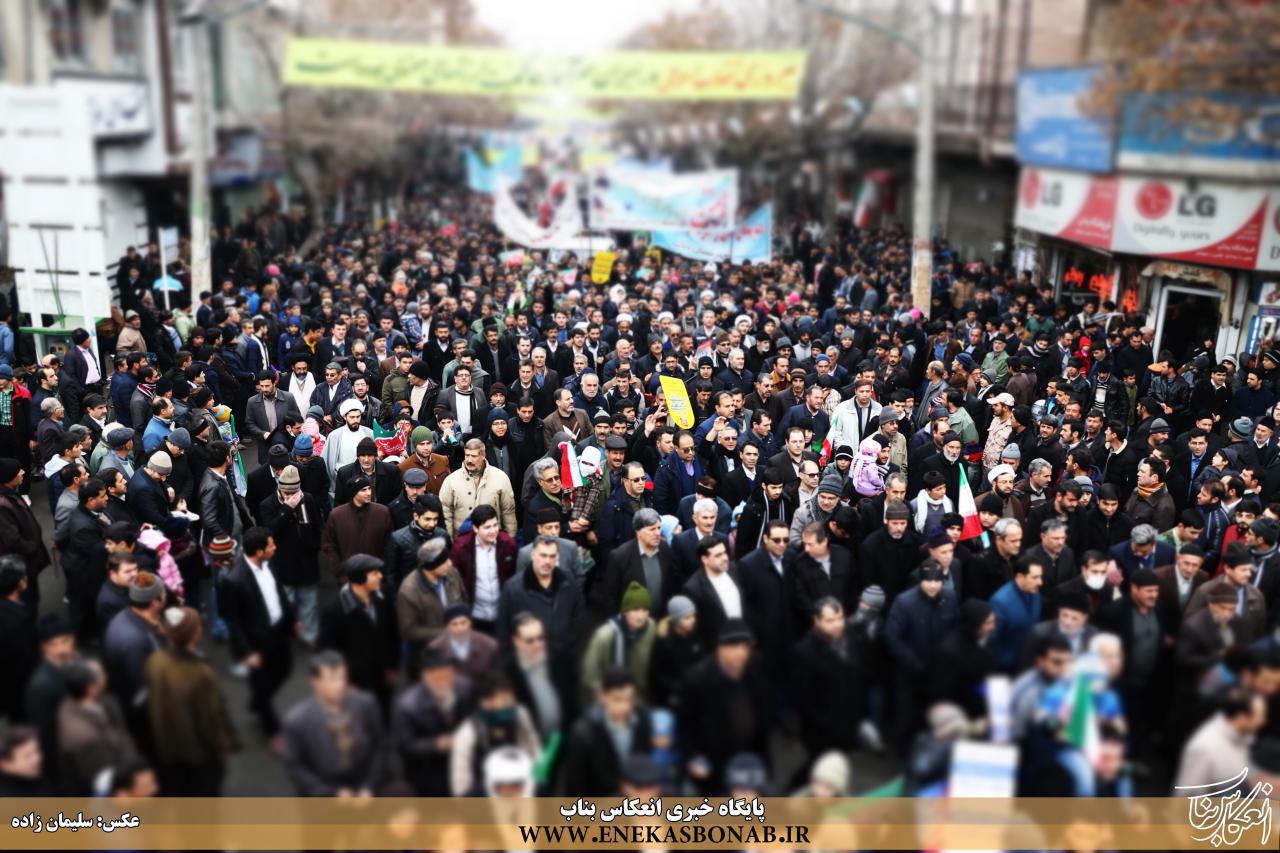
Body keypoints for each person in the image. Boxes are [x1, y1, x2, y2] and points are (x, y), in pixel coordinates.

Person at [218, 527, 296, 754]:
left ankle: (259, 701)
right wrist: (245, 651)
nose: (275, 548)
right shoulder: (234, 580)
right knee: (261, 686)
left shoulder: (269, 564)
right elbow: (232, 620)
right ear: (259, 552)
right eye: (271, 545)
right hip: (256, 642)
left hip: (278, 631)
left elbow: (278, 593)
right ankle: (272, 732)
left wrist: (291, 621)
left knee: (285, 668)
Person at [145, 607, 239, 795]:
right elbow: (210, 718)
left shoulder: (156, 660)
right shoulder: (200, 673)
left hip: (169, 746)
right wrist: (223, 745)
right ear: (195, 634)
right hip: (199, 754)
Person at [677, 619, 769, 794]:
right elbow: (686, 726)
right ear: (720, 647)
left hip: (749, 756)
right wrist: (692, 757)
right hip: (714, 763)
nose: (741, 653)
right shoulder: (697, 679)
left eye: (745, 647)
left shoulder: (755, 668)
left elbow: (762, 711)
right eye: (734, 646)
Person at [282, 651, 387, 796]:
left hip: (364, 784)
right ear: (314, 682)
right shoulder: (297, 721)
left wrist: (369, 785)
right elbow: (296, 767)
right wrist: (332, 793)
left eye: (342, 677)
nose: (340, 685)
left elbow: (379, 746)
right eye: (332, 679)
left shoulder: (366, 703)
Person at [255, 465, 321, 645]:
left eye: (294, 493)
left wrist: (315, 546)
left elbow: (317, 526)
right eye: (286, 493)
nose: (290, 497)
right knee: (286, 603)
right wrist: (286, 509)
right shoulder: (268, 505)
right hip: (283, 564)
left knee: (309, 603)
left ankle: (309, 635)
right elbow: (269, 531)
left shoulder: (308, 499)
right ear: (279, 488)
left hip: (307, 562)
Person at [559, 668, 653, 797]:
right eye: (617, 699)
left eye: (629, 699)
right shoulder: (583, 734)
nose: (625, 706)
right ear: (602, 697)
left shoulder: (643, 721)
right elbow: (576, 784)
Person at [391, 651, 474, 796]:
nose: (445, 682)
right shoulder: (408, 705)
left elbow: (473, 718)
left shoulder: (465, 688)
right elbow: (403, 745)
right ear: (426, 677)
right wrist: (435, 745)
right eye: (439, 678)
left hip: (461, 759)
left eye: (449, 676)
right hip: (428, 769)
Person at [790, 596, 864, 759]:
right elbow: (802, 699)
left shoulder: (850, 637)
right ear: (816, 621)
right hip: (822, 731)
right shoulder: (804, 652)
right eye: (830, 621)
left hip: (847, 722)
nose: (837, 625)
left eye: (840, 618)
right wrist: (824, 723)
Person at [580, 582, 656, 705]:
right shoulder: (605, 635)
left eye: (645, 610)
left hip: (643, 697)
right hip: (611, 699)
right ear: (625, 612)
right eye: (635, 610)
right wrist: (607, 697)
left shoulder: (651, 627)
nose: (641, 616)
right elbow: (590, 673)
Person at [449, 505, 518, 635]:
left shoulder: (508, 544)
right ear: (475, 528)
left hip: (503, 615)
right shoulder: (461, 548)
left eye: (495, 525)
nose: (493, 531)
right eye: (487, 527)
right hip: (475, 617)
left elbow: (515, 576)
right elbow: (454, 582)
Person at [438, 438, 518, 537]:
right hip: (462, 540)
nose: (469, 460)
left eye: (474, 456)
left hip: (492, 538)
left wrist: (510, 539)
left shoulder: (501, 477)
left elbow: (508, 512)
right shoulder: (451, 480)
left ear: (483, 456)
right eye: (467, 455)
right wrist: (449, 542)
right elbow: (446, 514)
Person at [321, 474, 394, 578]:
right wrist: (339, 570)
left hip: (376, 576)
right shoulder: (336, 515)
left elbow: (389, 544)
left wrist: (382, 569)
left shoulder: (382, 512)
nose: (369, 493)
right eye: (363, 490)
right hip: (347, 577)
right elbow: (329, 546)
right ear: (353, 492)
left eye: (369, 488)